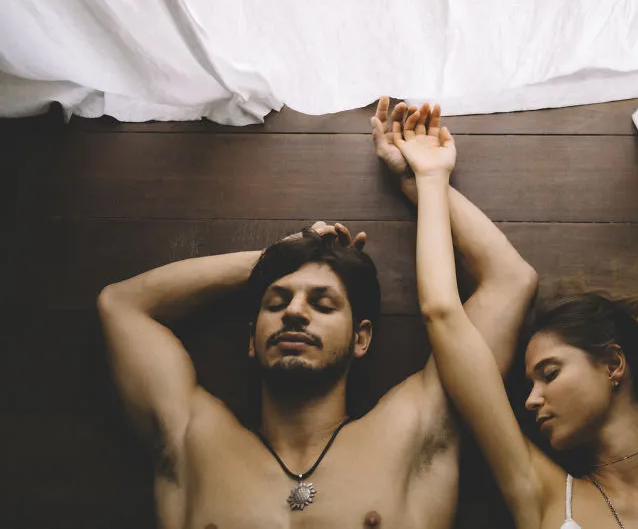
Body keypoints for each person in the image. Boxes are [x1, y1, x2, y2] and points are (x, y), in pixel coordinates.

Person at [96, 96, 538, 529]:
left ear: (361, 338)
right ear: (251, 338)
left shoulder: (414, 431)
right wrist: (279, 256)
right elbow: (123, 306)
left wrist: (422, 183)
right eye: (276, 301)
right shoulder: (194, 440)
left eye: (322, 304)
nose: (294, 312)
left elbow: (509, 280)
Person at [397, 111, 638, 529]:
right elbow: (443, 313)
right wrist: (428, 179)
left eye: (549, 373)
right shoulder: (542, 495)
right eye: (533, 383)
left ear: (613, 364)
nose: (531, 400)